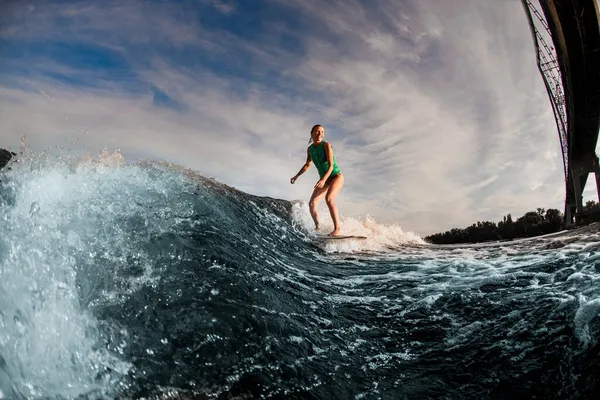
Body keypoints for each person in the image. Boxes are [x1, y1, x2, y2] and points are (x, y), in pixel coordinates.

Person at [290, 124, 344, 236]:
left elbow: (331, 166)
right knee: (312, 203)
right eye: (317, 131)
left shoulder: (326, 145)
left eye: (322, 132)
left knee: (329, 198)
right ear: (312, 133)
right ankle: (318, 227)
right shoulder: (310, 150)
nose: (320, 134)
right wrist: (296, 176)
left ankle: (337, 229)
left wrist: (323, 179)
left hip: (335, 176)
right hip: (324, 179)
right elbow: (307, 165)